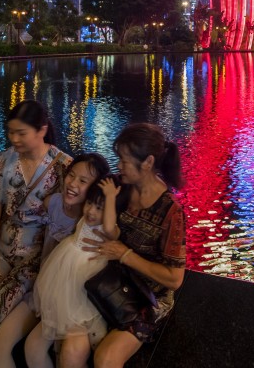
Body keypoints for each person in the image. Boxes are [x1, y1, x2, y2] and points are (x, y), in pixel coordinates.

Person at [0, 100, 73, 368]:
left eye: (21, 133)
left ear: (42, 130)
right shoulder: (2, 161)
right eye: (11, 132)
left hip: (36, 260)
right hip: (1, 252)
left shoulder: (63, 168)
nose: (14, 139)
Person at [72, 123, 186, 368]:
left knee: (105, 358)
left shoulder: (171, 212)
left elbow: (174, 279)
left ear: (147, 163)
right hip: (111, 281)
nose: (119, 166)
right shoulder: (122, 189)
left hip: (148, 297)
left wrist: (125, 255)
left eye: (124, 160)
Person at [0, 152, 110, 368]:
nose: (72, 184)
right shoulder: (53, 203)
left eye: (83, 181)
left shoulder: (91, 226)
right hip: (42, 293)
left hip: (71, 303)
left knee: (35, 350)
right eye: (71, 175)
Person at [24, 177, 120, 368]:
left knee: (77, 313)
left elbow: (110, 227)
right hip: (65, 270)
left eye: (100, 208)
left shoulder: (111, 229)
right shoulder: (83, 218)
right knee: (60, 308)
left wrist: (110, 197)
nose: (91, 211)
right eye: (90, 204)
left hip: (84, 276)